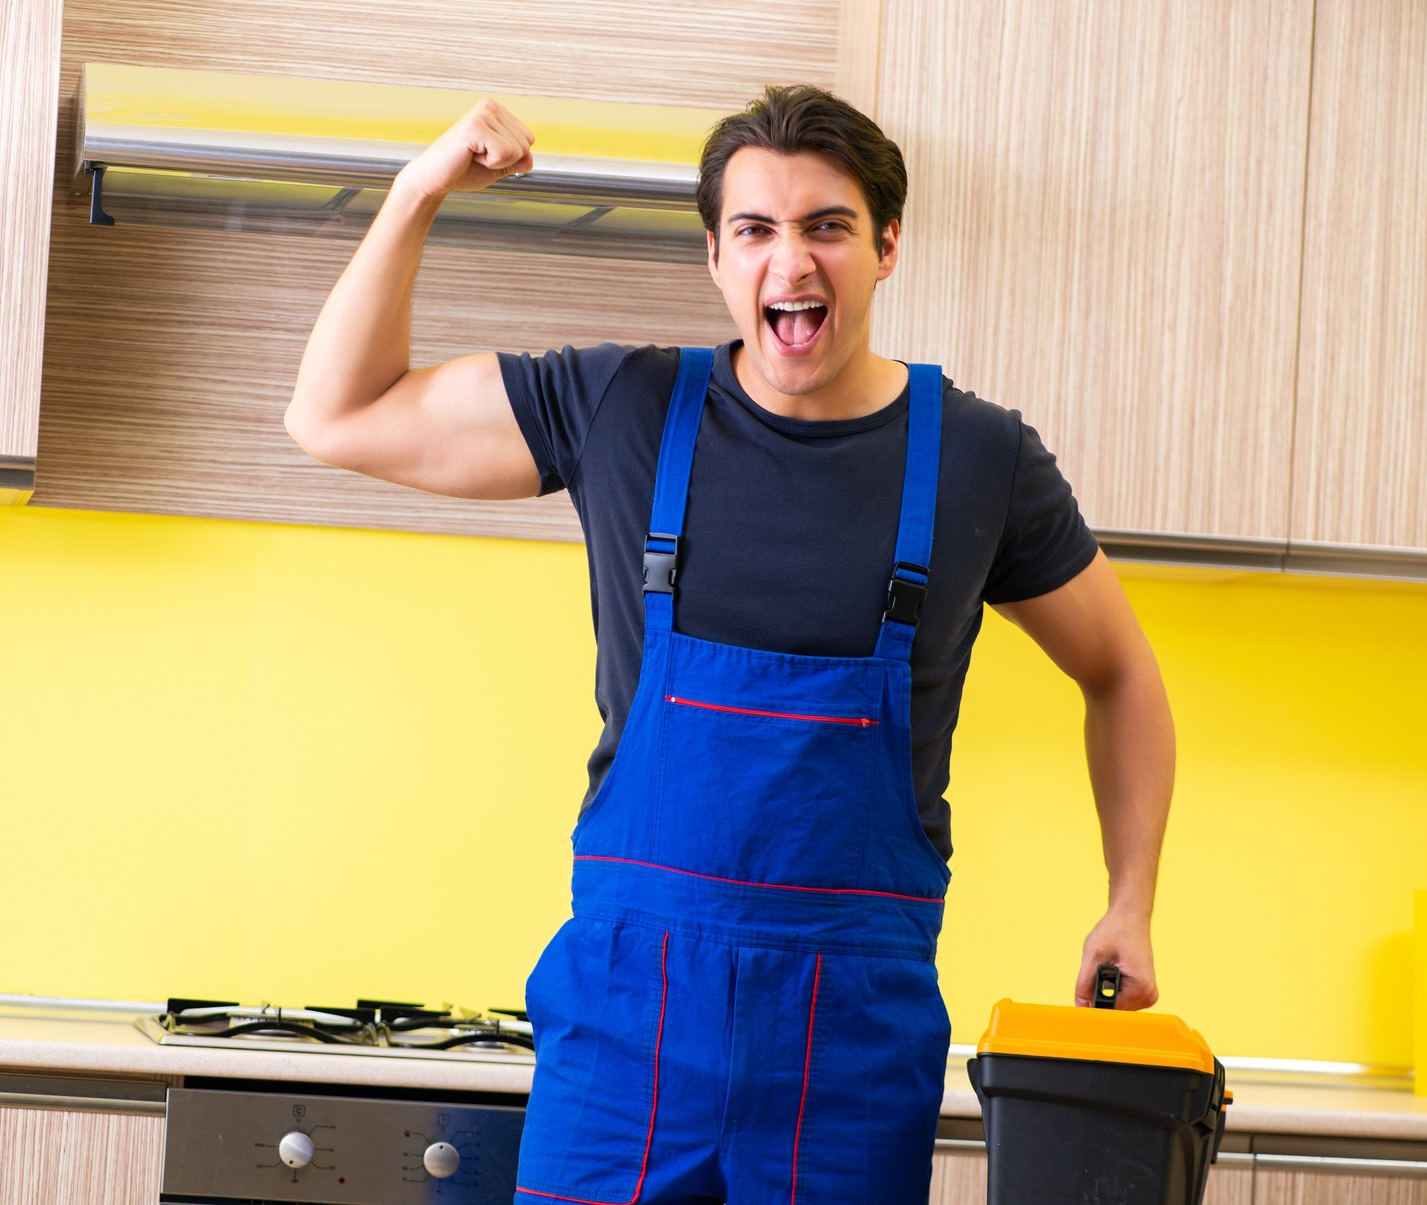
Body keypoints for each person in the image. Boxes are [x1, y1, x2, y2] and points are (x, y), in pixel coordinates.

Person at [286, 85, 1174, 1205]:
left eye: (827, 226)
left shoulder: (979, 460)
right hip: (621, 1047)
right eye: (754, 229)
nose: (789, 262)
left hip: (846, 1057)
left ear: (886, 246)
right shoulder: (620, 406)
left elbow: (1119, 672)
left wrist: (1129, 900)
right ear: (714, 255)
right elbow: (335, 415)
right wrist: (419, 191)